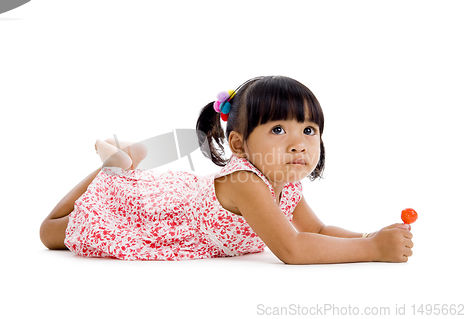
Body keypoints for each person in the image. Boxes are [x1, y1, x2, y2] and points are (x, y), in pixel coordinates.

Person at [40, 75, 414, 264]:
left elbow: (316, 230)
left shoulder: (285, 182)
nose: (298, 142)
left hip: (188, 197)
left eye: (309, 130)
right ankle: (113, 169)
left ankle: (127, 164)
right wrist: (372, 249)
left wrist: (368, 233)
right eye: (279, 129)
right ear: (238, 144)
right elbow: (293, 248)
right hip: (161, 216)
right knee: (50, 233)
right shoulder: (245, 181)